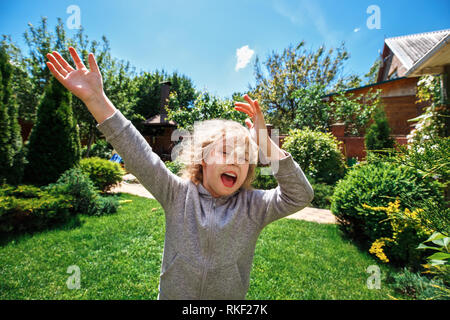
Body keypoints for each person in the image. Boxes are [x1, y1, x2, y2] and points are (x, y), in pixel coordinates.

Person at [46, 47, 314, 300]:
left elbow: (299, 195)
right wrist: (97, 100)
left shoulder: (254, 206)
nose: (235, 161)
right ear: (202, 160)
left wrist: (266, 144)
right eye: (224, 152)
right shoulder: (176, 194)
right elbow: (139, 155)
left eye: (244, 157)